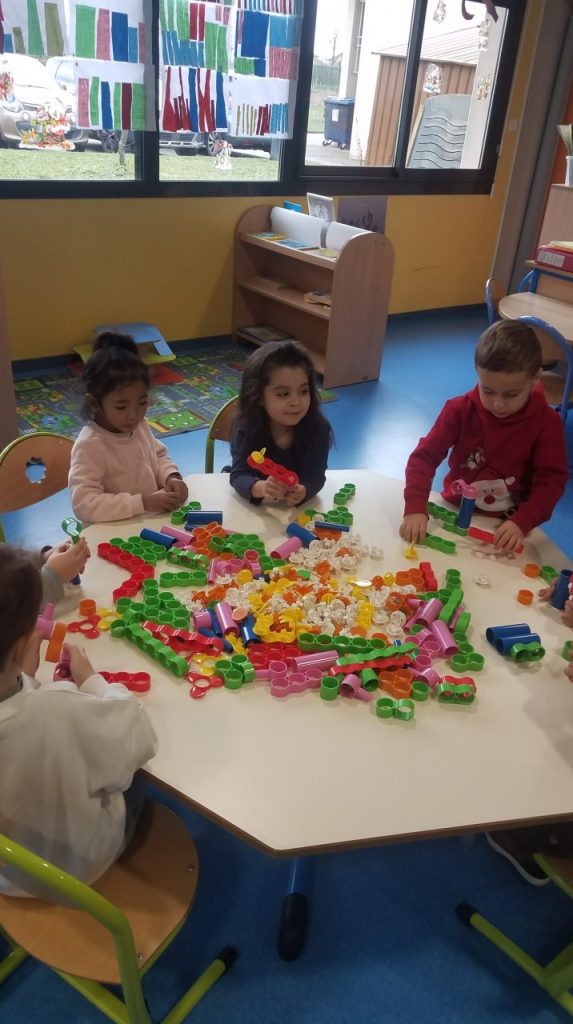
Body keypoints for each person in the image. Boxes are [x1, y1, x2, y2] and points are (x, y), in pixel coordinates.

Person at [0, 546, 158, 895]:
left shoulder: (47, 706)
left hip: (11, 877)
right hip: (80, 870)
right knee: (136, 772)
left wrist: (26, 679)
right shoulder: (58, 709)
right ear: (22, 646)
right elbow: (140, 733)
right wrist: (91, 681)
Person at [400, 320, 568, 552]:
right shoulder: (459, 410)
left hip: (509, 523)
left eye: (511, 394)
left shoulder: (546, 423)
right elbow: (424, 458)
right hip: (455, 509)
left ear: (535, 379)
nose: (498, 404)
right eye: (487, 390)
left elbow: (550, 481)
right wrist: (415, 507)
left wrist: (523, 521)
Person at [68, 332, 188, 523]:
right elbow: (84, 504)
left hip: (147, 522)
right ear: (94, 403)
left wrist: (171, 477)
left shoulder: (139, 426)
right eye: (121, 406)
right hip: (110, 532)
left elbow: (157, 455)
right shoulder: (90, 445)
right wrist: (142, 503)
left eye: (142, 403)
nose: (134, 414)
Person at [229, 340, 333, 507]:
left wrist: (305, 491)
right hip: (257, 508)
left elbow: (316, 475)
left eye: (303, 391)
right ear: (259, 396)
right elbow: (239, 475)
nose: (296, 402)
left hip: (294, 512)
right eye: (284, 394)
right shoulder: (247, 428)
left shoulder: (318, 429)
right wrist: (261, 488)